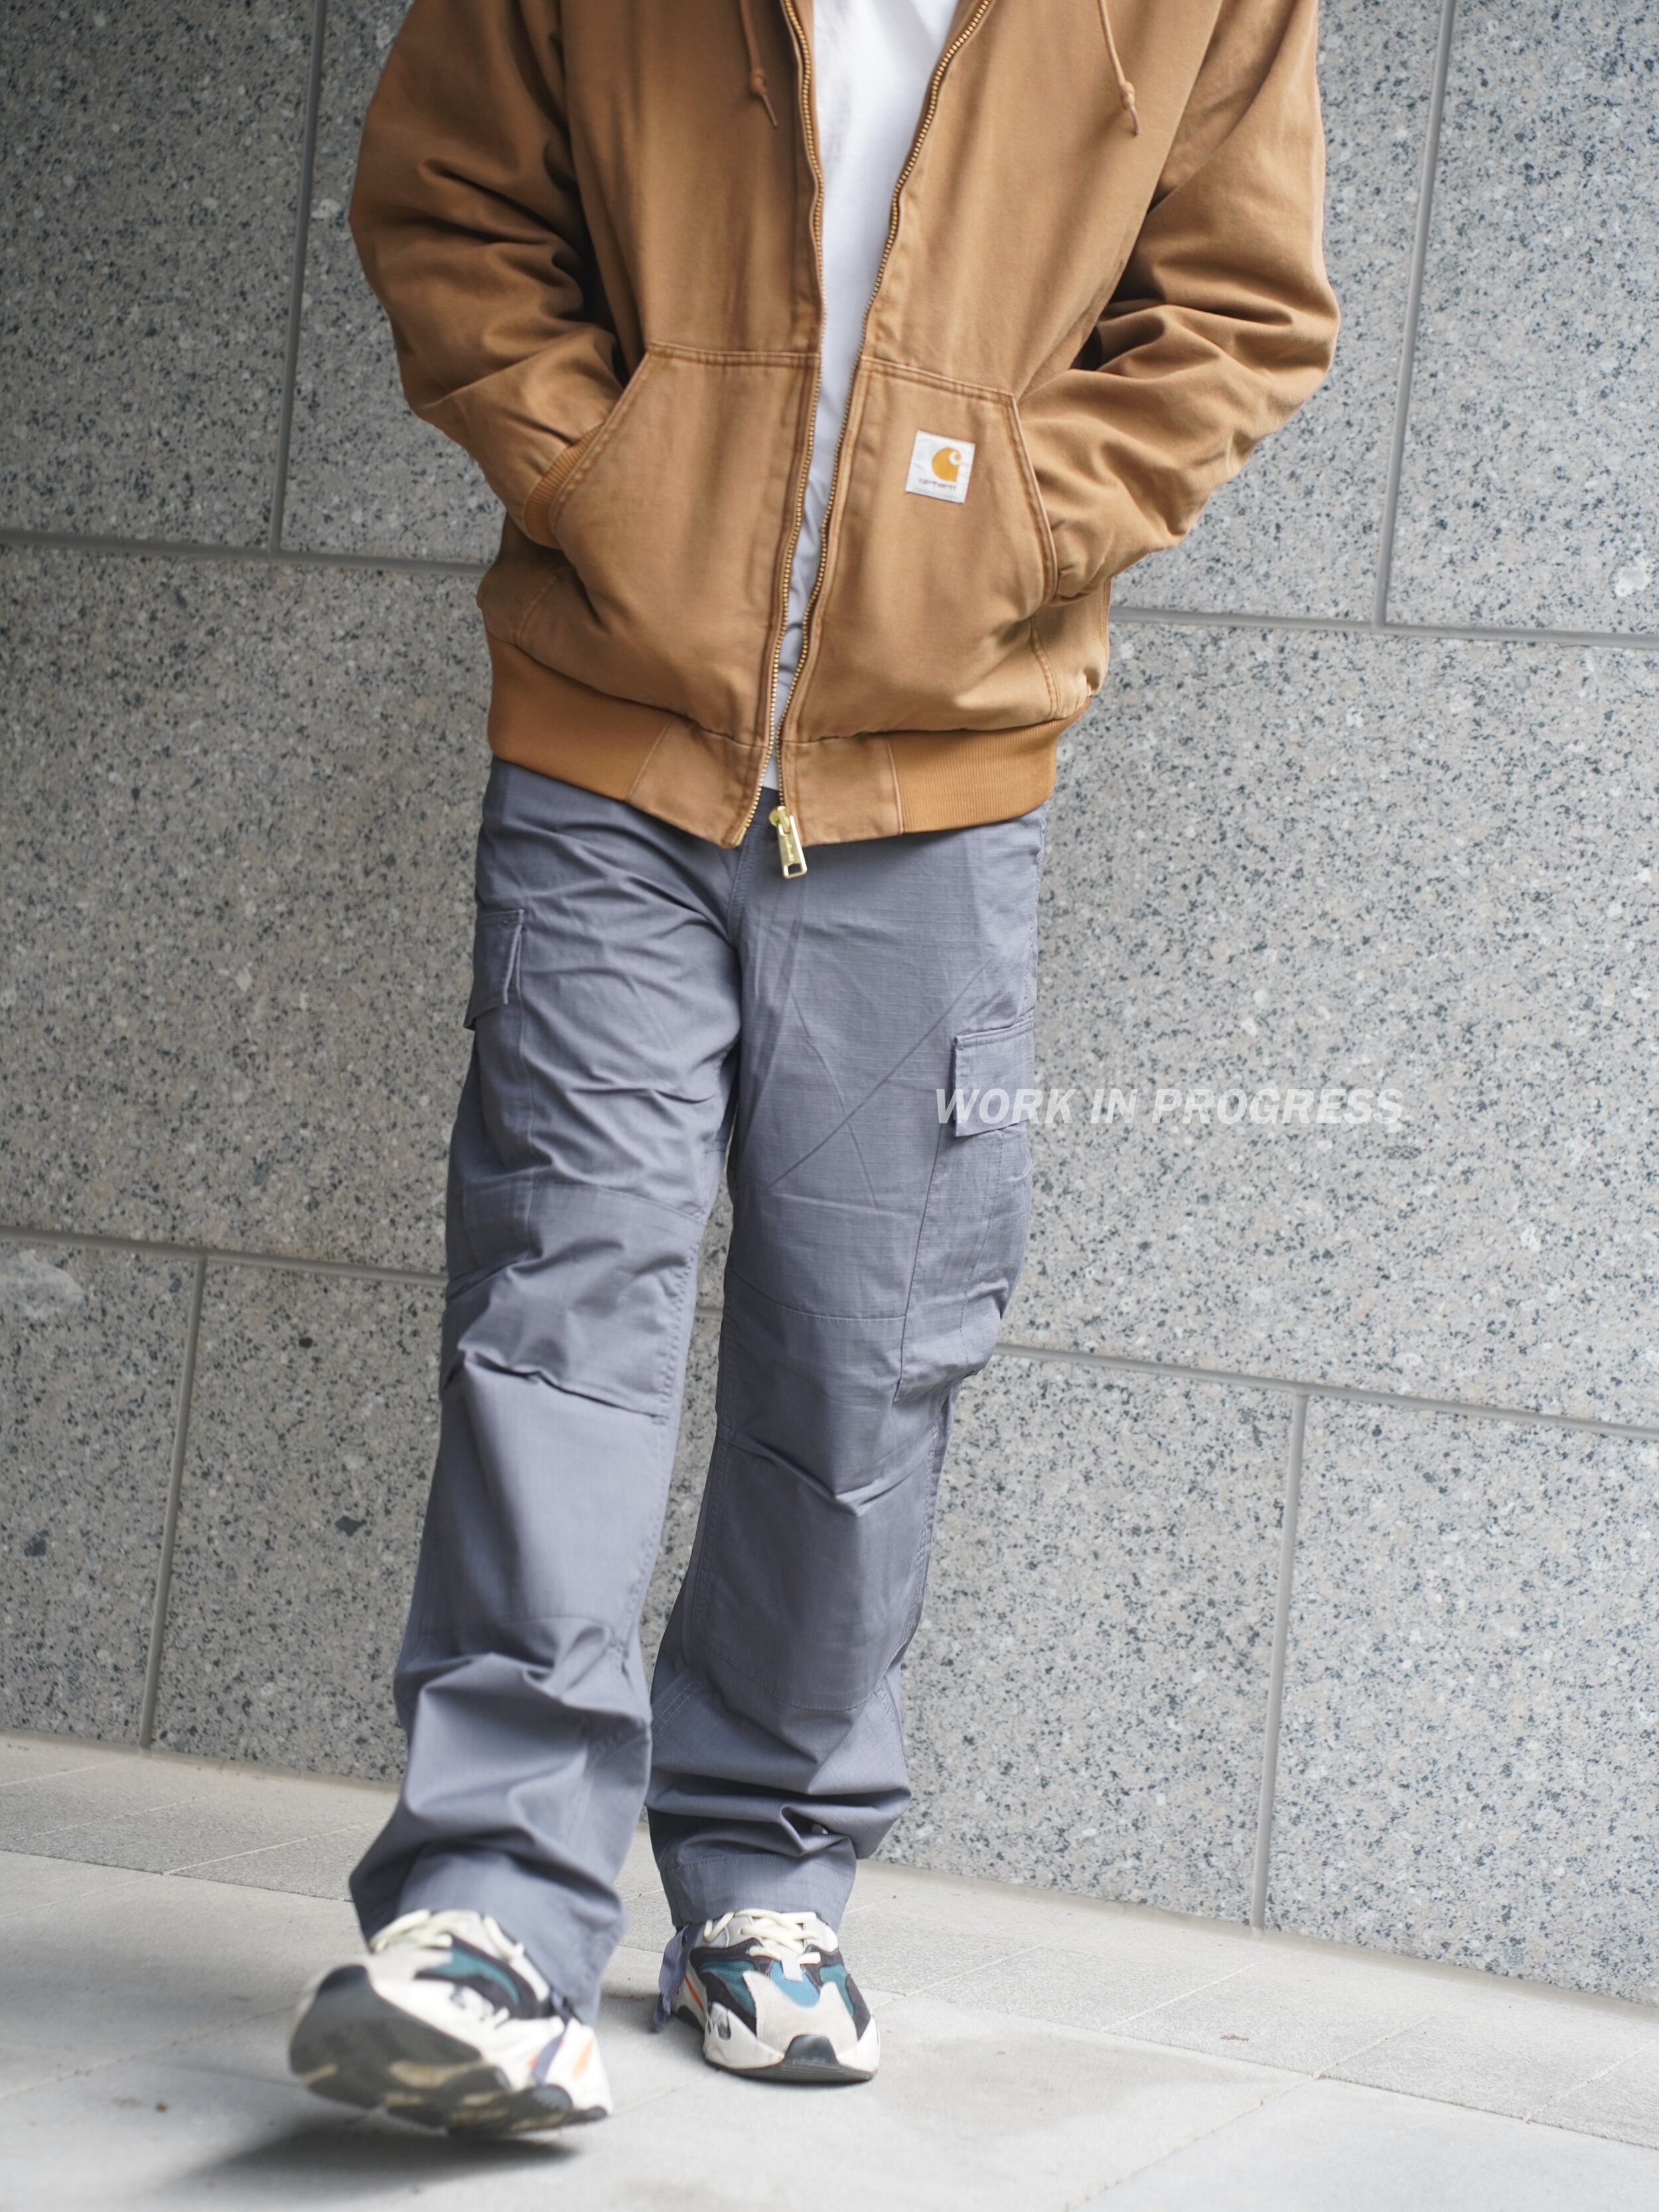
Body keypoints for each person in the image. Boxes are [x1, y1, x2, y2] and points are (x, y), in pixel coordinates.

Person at [287, 0, 1338, 2136]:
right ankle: (488, 1914)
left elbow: (1237, 309)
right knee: (562, 1297)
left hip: (937, 782)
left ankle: (764, 1876)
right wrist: (610, 478)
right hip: (608, 746)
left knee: (866, 1339)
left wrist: (1001, 527)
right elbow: (452, 204)